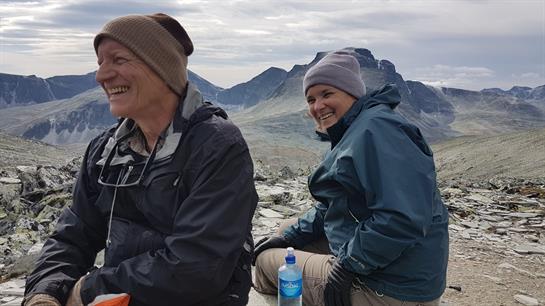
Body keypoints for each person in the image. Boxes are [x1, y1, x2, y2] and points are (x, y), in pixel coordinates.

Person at [23, 13, 258, 306]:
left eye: (118, 60)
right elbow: (74, 233)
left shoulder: (217, 146)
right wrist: (45, 292)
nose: (101, 76)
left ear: (162, 68)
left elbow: (196, 268)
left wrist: (87, 290)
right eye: (100, 63)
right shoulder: (105, 150)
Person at [253, 51, 449, 306]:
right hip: (402, 270)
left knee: (267, 261)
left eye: (327, 94)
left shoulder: (376, 131)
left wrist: (348, 265)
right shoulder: (360, 127)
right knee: (284, 234)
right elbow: (338, 203)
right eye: (311, 99)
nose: (317, 106)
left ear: (352, 93)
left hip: (393, 288)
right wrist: (292, 235)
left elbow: (402, 219)